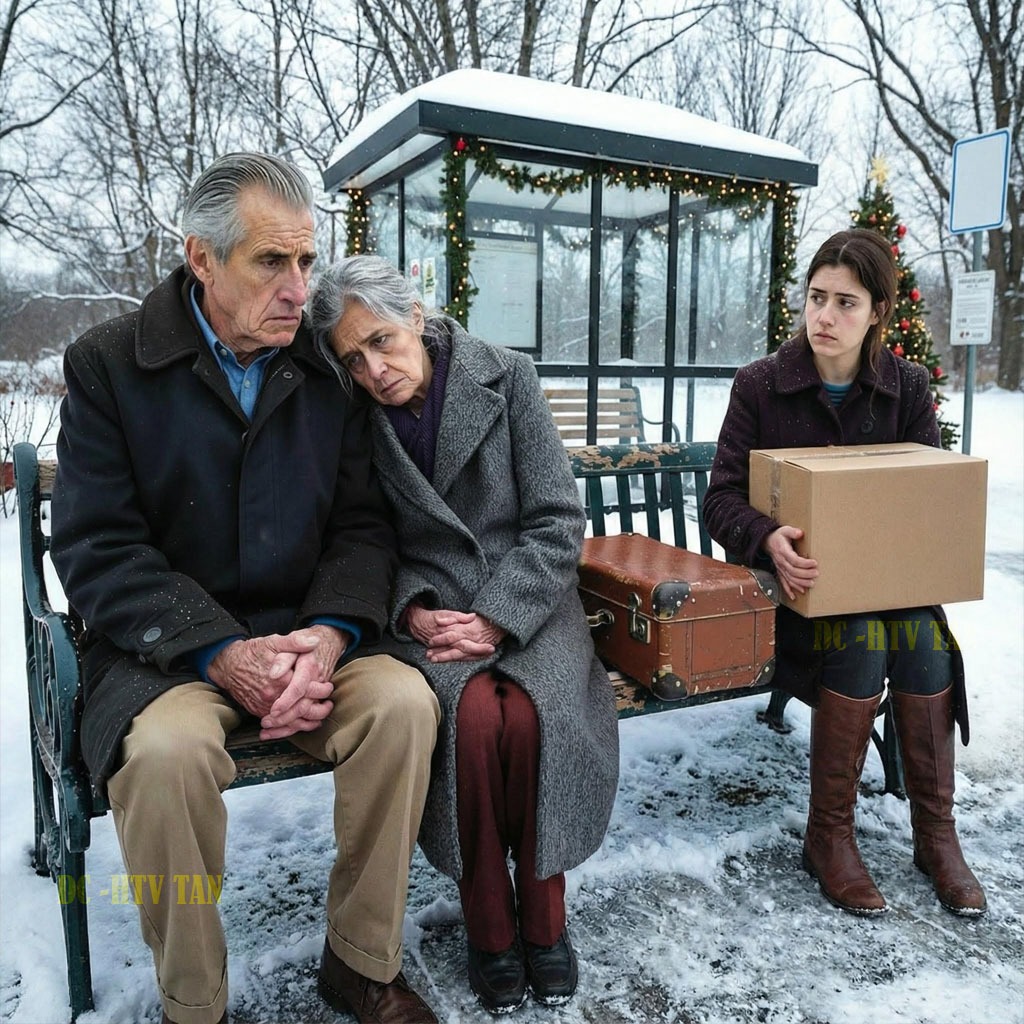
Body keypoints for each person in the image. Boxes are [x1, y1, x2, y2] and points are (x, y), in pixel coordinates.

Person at [49, 153, 442, 1024]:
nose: (300, 289)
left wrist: (330, 634)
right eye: (271, 262)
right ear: (202, 258)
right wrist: (223, 652)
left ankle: (361, 961)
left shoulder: (325, 365)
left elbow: (362, 524)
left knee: (403, 706)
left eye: (306, 260)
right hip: (167, 654)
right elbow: (97, 545)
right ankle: (195, 1001)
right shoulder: (110, 365)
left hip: (307, 636)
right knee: (164, 759)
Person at [309, 255, 620, 1015]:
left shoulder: (507, 377)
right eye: (354, 358)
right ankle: (489, 921)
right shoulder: (356, 417)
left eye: (382, 341)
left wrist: (499, 615)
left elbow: (556, 519)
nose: (374, 370)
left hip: (530, 603)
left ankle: (544, 912)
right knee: (475, 716)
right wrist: (411, 611)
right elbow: (366, 539)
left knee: (532, 714)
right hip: (433, 616)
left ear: (415, 317)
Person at [703, 228, 986, 919]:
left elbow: (925, 496)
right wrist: (766, 536)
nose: (824, 315)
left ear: (878, 312)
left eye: (845, 302)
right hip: (794, 601)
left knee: (924, 637)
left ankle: (936, 836)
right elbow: (720, 499)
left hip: (889, 592)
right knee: (860, 637)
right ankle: (828, 836)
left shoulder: (906, 388)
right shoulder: (762, 385)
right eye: (816, 297)